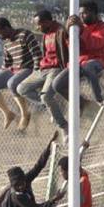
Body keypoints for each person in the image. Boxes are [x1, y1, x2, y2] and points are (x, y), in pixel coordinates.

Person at [17, 10, 69, 139]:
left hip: (56, 68)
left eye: (39, 24)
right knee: (21, 88)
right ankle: (51, 107)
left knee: (46, 97)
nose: (37, 28)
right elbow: (45, 54)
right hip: (44, 68)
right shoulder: (46, 34)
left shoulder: (61, 31)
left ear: (47, 22)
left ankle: (64, 127)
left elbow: (69, 49)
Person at [0, 17, 42, 130]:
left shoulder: (25, 34)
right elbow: (7, 63)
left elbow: (37, 54)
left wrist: (36, 72)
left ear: (7, 28)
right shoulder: (6, 43)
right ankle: (8, 113)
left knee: (12, 83)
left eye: (0, 33)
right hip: (13, 70)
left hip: (27, 68)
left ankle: (25, 114)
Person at [55, 1, 104, 106]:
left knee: (88, 67)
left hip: (96, 60)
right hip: (77, 63)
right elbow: (72, 47)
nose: (81, 16)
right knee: (57, 84)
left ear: (94, 13)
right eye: (80, 13)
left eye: (84, 13)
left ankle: (99, 99)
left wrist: (82, 31)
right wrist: (68, 33)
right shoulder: (78, 28)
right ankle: (83, 104)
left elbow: (95, 44)